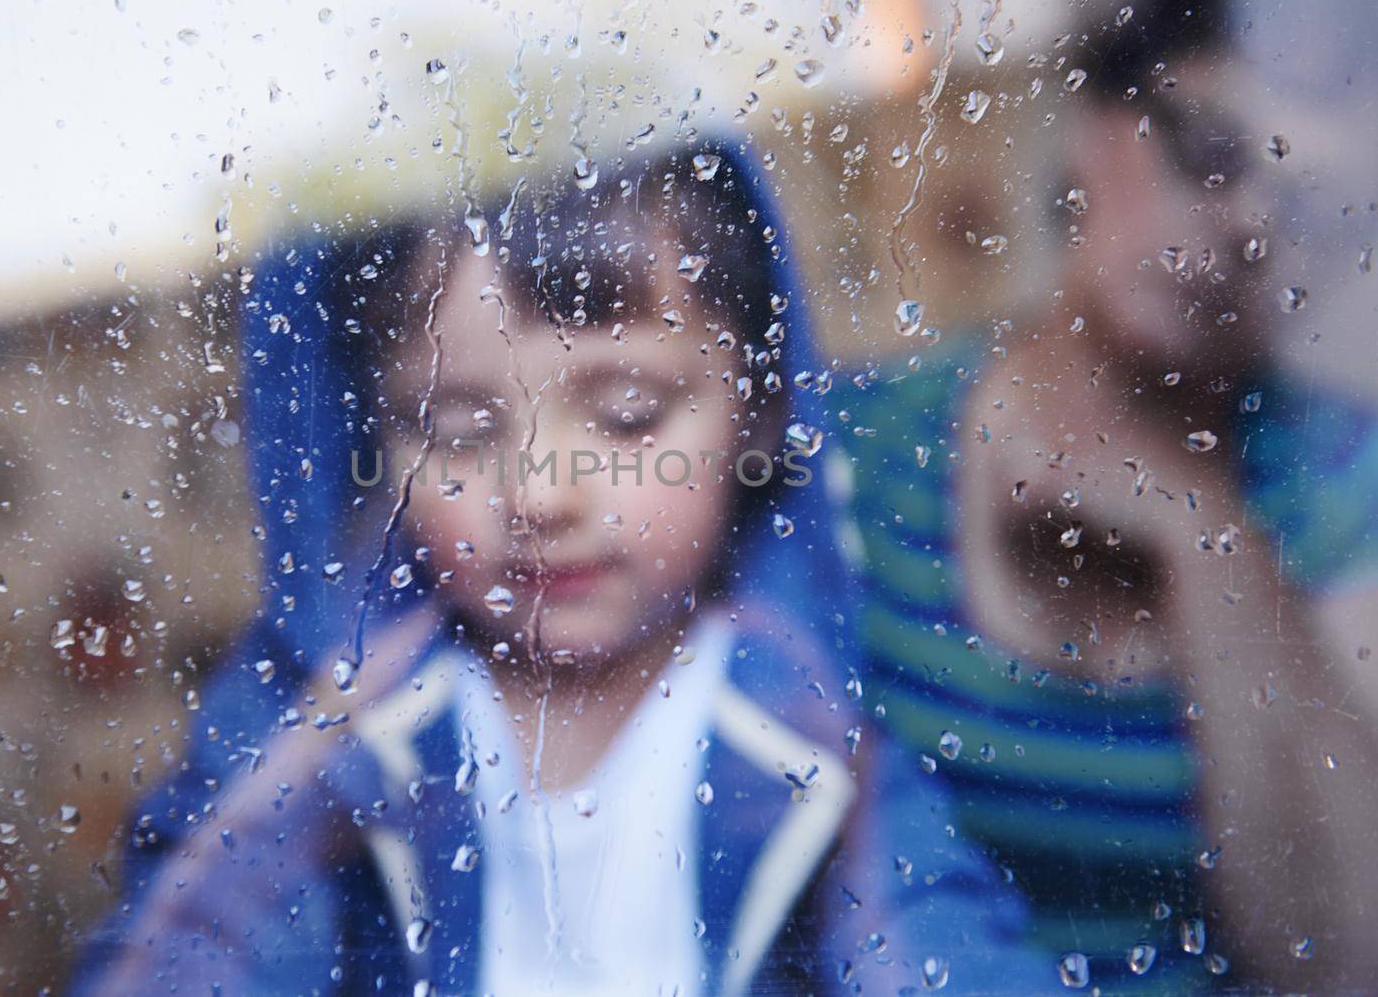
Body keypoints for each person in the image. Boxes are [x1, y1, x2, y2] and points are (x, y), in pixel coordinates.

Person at [71, 141, 1055, 995]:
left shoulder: (800, 721)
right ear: (377, 450)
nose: (539, 492)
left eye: (628, 415)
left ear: (757, 413)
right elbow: (190, 948)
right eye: (456, 432)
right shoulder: (325, 710)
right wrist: (302, 775)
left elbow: (941, 952)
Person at [834, 0, 1378, 992]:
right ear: (1090, 131)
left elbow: (1349, 954)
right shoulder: (860, 442)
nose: (1247, 224)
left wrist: (1201, 535)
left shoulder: (1341, 485)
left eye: (1305, 202)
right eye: (1211, 154)